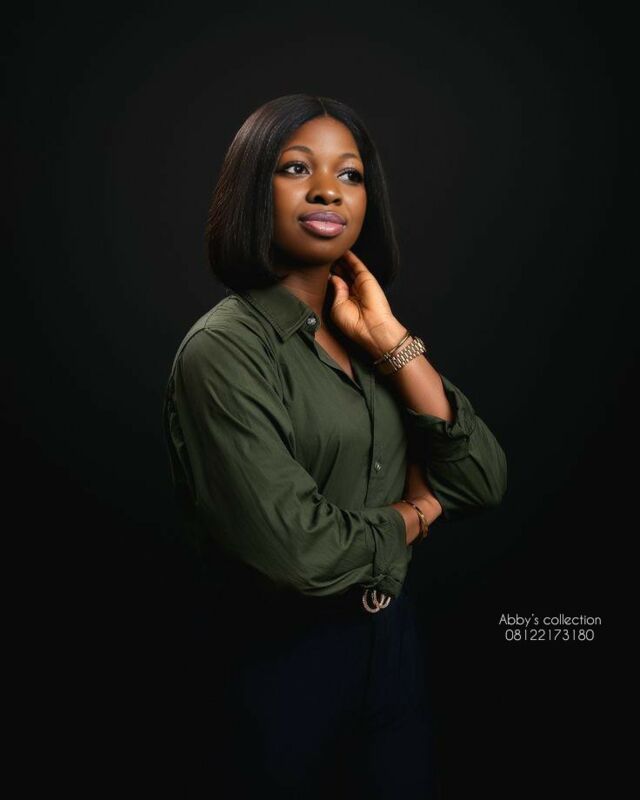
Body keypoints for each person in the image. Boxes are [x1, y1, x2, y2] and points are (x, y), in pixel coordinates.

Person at [162, 93, 507, 799]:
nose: (328, 190)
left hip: (392, 652)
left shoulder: (367, 337)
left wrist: (393, 342)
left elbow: (481, 480)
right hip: (276, 670)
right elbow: (298, 549)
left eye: (349, 174)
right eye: (297, 168)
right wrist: (417, 514)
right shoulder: (224, 350)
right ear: (253, 188)